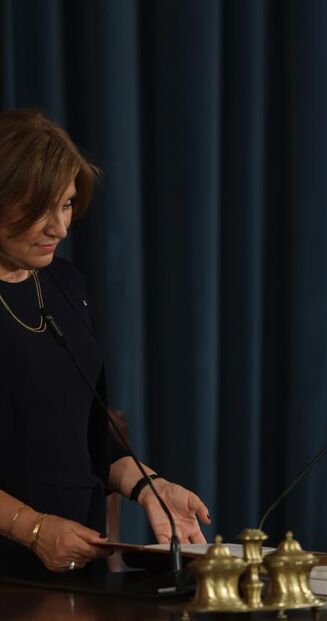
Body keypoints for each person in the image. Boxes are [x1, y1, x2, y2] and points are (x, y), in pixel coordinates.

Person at [0, 109, 209, 578]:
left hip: (77, 571)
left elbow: (90, 440)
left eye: (68, 204)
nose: (60, 228)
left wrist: (150, 486)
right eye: (40, 209)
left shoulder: (66, 285)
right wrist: (32, 529)